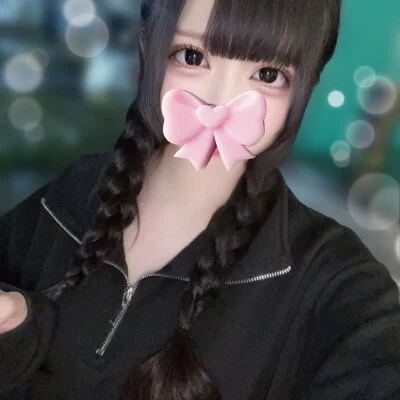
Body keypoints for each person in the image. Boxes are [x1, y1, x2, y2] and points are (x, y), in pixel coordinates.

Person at [1, 0, 399, 399]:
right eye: (192, 56)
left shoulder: (331, 277)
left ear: (306, 85)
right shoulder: (71, 194)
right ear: (149, 46)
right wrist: (18, 333)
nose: (220, 101)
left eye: (268, 74)